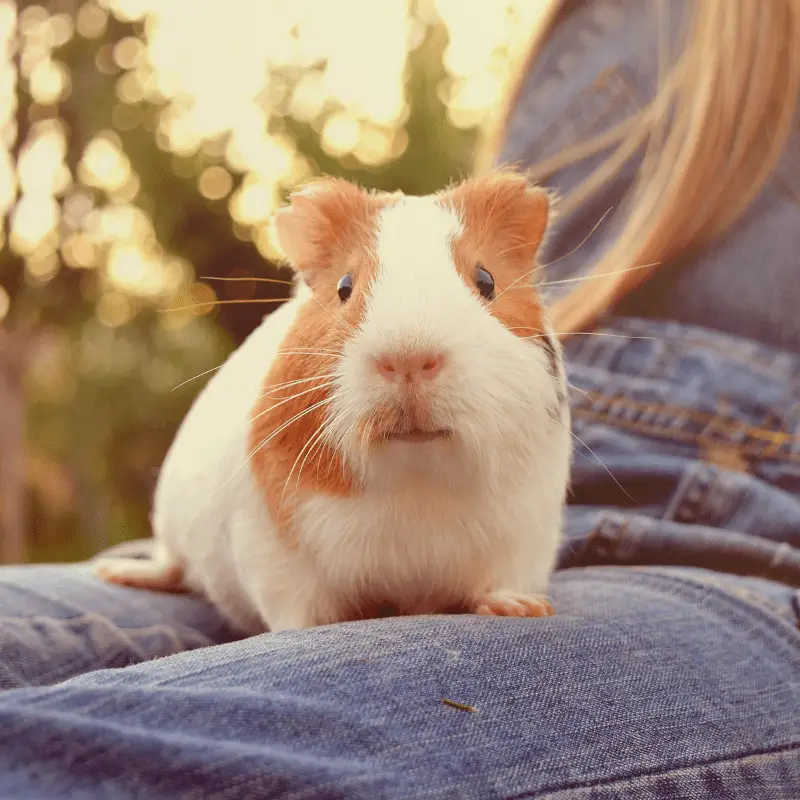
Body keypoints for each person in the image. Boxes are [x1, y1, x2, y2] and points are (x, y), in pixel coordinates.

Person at [2, 0, 799, 796]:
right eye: (346, 288)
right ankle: (188, 562)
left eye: (483, 285)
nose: (412, 359)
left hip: (729, 538)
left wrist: (508, 572)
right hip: (236, 573)